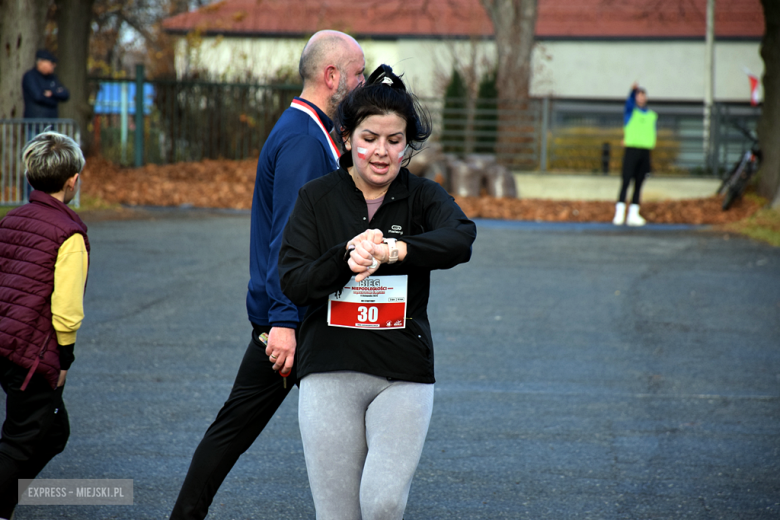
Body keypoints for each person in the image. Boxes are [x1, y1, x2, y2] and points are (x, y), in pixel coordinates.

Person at [169, 30, 365, 520]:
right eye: (359, 74)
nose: (363, 83)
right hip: (295, 320)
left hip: (302, 314)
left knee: (243, 428)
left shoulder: (312, 130)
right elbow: (289, 239)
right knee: (240, 429)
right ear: (332, 76)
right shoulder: (301, 139)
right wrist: (282, 321)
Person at [279, 65, 477, 520]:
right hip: (330, 369)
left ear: (408, 144)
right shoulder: (316, 197)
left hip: (402, 370)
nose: (382, 152)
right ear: (347, 138)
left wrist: (395, 250)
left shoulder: (423, 195)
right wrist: (343, 260)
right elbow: (293, 279)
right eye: (370, 138)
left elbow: (460, 238)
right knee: (338, 515)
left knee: (383, 504)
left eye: (395, 140)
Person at [0, 132, 89, 520]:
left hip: (6, 341)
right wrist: (64, 360)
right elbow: (66, 309)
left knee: (53, 431)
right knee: (23, 439)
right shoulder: (69, 232)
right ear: (72, 180)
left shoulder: (10, 220)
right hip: (32, 352)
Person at [613, 82, 657, 226]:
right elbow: (629, 103)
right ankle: (619, 214)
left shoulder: (652, 115)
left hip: (645, 151)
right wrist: (632, 91)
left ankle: (633, 214)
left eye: (643, 95)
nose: (641, 98)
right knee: (626, 181)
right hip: (631, 150)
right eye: (638, 95)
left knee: (639, 183)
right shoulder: (631, 112)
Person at [22, 50, 70, 120]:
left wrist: (52, 93)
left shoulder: (52, 78)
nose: (54, 66)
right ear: (41, 62)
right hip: (35, 124)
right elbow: (38, 96)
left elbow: (65, 94)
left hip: (51, 124)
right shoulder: (30, 76)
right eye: (51, 63)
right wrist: (54, 100)